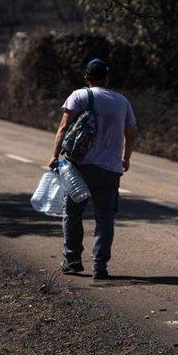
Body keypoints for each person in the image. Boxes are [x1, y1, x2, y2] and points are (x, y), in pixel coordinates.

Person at [48, 58, 137, 281]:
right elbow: (131, 133)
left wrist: (54, 155)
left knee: (72, 213)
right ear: (106, 78)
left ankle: (73, 261)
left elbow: (63, 127)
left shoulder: (79, 95)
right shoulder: (121, 101)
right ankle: (100, 266)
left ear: (86, 78)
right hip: (110, 169)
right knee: (105, 218)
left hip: (80, 168)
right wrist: (125, 158)